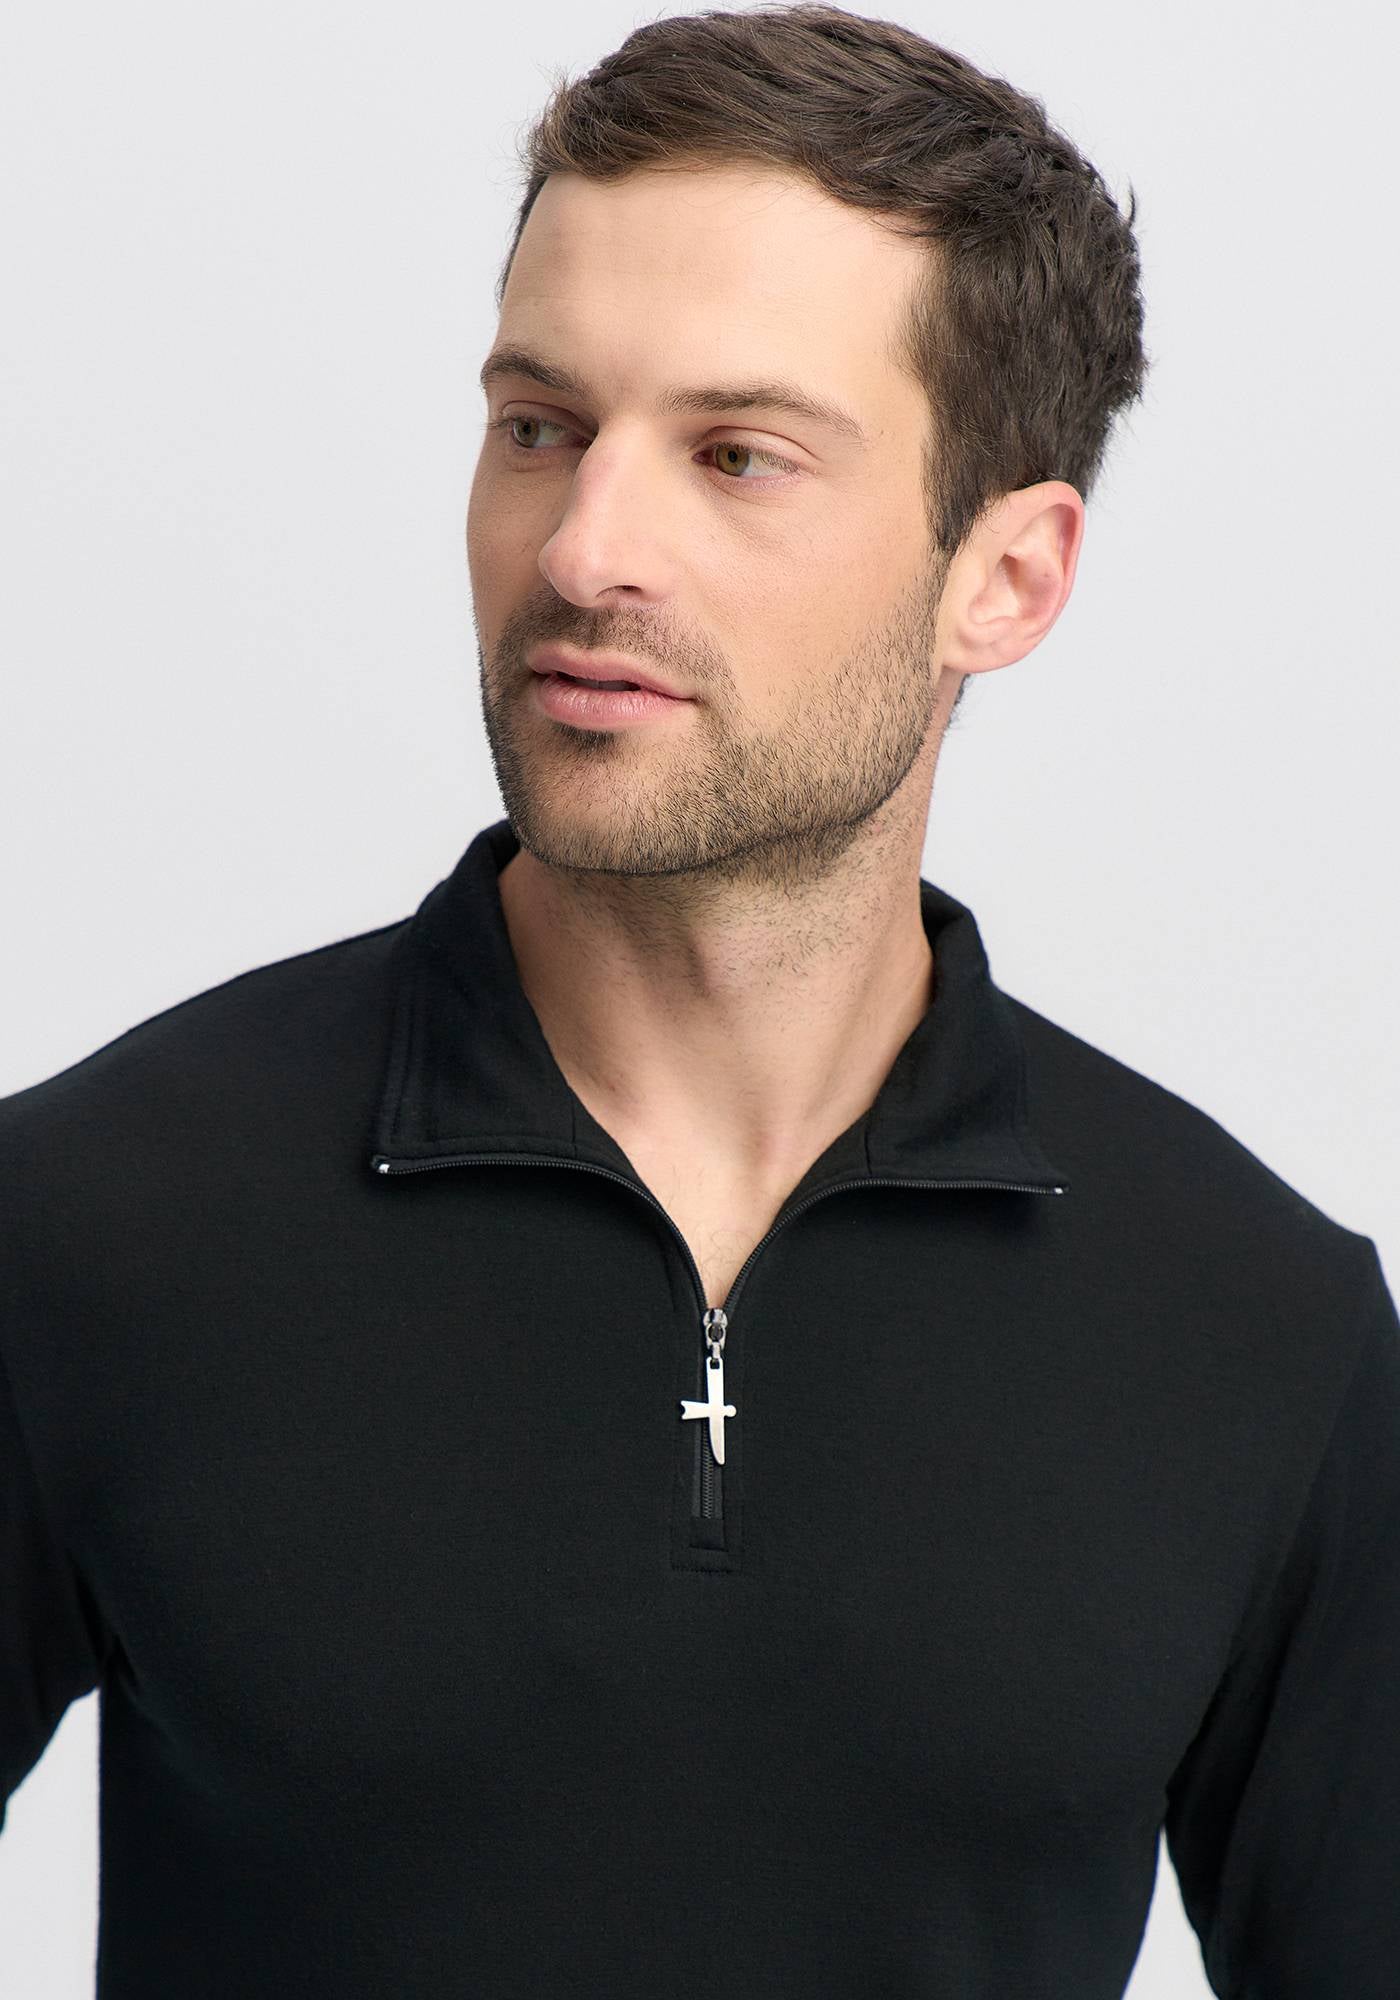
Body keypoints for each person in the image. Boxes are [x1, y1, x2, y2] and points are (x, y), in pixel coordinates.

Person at [3, 6, 1396, 1995]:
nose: (583, 548)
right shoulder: (84, 1226)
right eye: (539, 427)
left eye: (738, 455)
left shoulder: (1258, 1333)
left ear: (1005, 578)